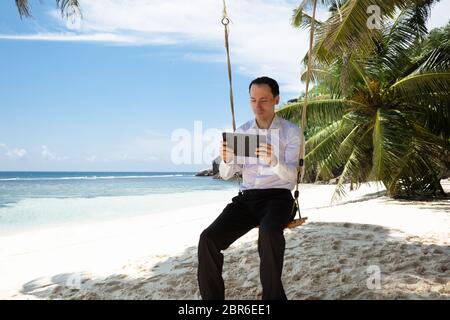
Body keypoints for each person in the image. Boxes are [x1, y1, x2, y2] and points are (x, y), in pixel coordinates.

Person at [197, 76, 301, 300]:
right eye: (253, 100)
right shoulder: (243, 132)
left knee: (269, 233)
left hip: (278, 198)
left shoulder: (291, 131)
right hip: (246, 200)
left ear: (276, 100)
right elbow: (226, 175)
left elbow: (292, 178)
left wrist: (273, 161)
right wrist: (226, 160)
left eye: (264, 100)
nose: (258, 106)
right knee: (208, 238)